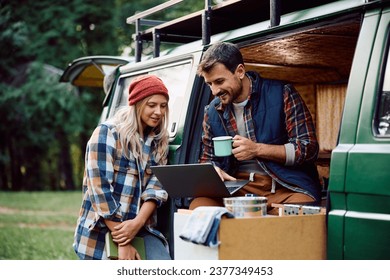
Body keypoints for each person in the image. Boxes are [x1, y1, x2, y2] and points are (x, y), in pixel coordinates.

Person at [190, 42, 321, 215]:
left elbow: (307, 148)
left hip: (285, 188)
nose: (214, 91)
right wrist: (212, 169)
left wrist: (257, 149)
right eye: (209, 84)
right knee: (198, 208)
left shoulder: (283, 93)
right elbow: (207, 158)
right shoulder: (212, 111)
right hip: (236, 191)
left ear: (240, 71)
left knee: (299, 212)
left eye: (219, 81)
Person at [73, 74, 171, 260]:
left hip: (140, 227)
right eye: (152, 105)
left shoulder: (159, 141)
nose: (158, 111)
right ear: (137, 104)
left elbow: (156, 189)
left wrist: (138, 223)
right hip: (101, 230)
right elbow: (99, 189)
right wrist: (123, 241)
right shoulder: (107, 133)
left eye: (163, 106)